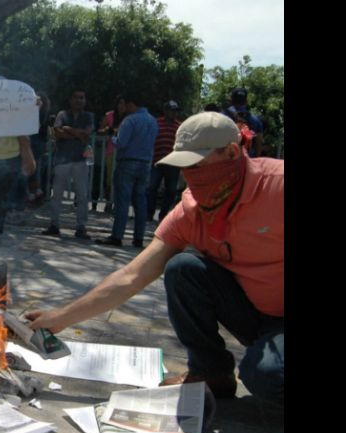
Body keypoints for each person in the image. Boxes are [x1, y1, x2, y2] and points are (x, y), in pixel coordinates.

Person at [26, 112, 283, 407]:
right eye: (185, 168)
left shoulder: (277, 186)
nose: (193, 177)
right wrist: (60, 318)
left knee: (265, 377)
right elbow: (132, 275)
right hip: (253, 315)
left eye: (198, 165)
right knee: (183, 268)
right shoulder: (191, 210)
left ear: (232, 153)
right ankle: (211, 373)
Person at [96, 93, 158, 248]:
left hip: (127, 163)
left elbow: (121, 143)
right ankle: (138, 238)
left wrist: (113, 137)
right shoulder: (153, 121)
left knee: (122, 201)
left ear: (132, 104)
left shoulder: (130, 120)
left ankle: (117, 236)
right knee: (140, 203)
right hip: (145, 164)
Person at [41, 89, 94, 239]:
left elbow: (87, 134)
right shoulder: (62, 114)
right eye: (76, 98)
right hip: (62, 160)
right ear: (70, 100)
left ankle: (81, 227)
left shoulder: (88, 116)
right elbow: (57, 133)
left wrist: (68, 129)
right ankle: (54, 225)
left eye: (82, 98)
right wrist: (79, 134)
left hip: (80, 161)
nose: (79, 100)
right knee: (56, 195)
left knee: (82, 196)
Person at [147, 100, 182, 222]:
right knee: (152, 188)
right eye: (171, 110)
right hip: (157, 161)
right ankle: (149, 213)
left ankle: (163, 214)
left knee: (171, 190)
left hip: (172, 163)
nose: (174, 113)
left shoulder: (179, 126)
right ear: (165, 111)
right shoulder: (156, 123)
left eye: (175, 111)